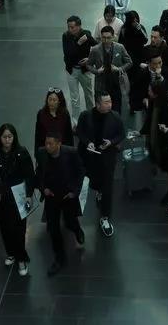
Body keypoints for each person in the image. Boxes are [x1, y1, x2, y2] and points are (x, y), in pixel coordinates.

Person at [0, 123, 36, 273]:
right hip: (2, 196)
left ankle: (21, 258)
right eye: (4, 137)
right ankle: (11, 253)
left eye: (10, 137)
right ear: (0, 138)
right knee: (5, 227)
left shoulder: (21, 152)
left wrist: (29, 195)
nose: (7, 140)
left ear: (14, 137)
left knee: (19, 229)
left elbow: (30, 175)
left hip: (18, 195)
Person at [35, 133, 86, 276]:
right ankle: (59, 258)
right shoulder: (42, 153)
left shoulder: (71, 153)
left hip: (67, 195)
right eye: (46, 143)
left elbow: (81, 171)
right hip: (51, 197)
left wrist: (74, 192)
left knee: (70, 221)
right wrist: (43, 188)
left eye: (51, 144)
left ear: (59, 143)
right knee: (53, 228)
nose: (47, 146)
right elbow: (39, 173)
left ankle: (77, 230)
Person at [76, 94, 125, 238]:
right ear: (97, 104)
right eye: (106, 102)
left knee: (107, 187)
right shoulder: (85, 116)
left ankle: (105, 217)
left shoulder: (115, 117)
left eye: (110, 101)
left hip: (107, 158)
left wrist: (111, 142)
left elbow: (121, 134)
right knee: (95, 181)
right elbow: (80, 131)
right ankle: (99, 191)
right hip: (90, 158)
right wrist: (88, 142)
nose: (110, 104)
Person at [87, 26, 132, 114]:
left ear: (113, 37)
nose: (106, 40)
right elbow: (88, 64)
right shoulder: (95, 50)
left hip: (116, 84)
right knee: (101, 109)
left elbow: (129, 62)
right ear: (101, 37)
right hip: (101, 84)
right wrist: (97, 71)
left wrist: (119, 69)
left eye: (108, 38)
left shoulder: (120, 47)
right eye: (104, 38)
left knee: (116, 109)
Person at [63, 15, 95, 125]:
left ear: (79, 26)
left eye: (72, 27)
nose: (70, 29)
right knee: (74, 98)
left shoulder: (86, 34)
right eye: (68, 27)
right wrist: (78, 43)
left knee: (89, 95)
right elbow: (68, 53)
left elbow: (97, 47)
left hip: (85, 71)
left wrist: (89, 59)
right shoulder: (66, 36)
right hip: (71, 71)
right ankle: (75, 122)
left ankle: (91, 118)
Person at [34, 89, 73, 157]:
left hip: (61, 151)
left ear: (59, 101)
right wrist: (37, 153)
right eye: (50, 99)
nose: (51, 102)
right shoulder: (41, 114)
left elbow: (69, 135)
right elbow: (38, 135)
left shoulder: (65, 114)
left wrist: (71, 153)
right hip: (46, 149)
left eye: (54, 100)